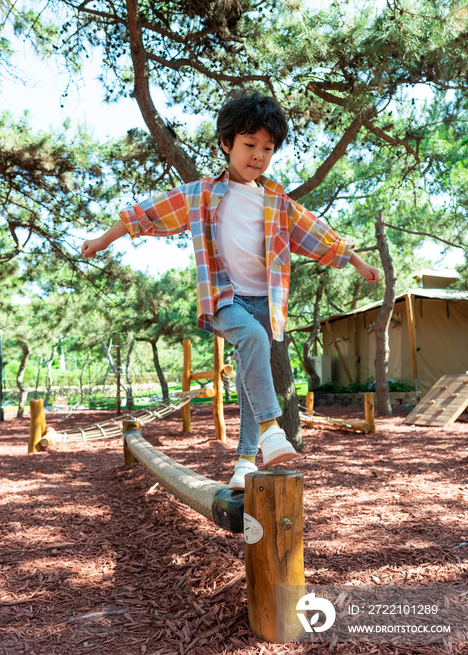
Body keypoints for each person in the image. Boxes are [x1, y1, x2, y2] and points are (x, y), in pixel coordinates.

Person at [82, 91, 379, 489]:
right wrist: (104, 240)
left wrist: (357, 261)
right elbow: (147, 213)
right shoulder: (201, 194)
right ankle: (274, 433)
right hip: (225, 298)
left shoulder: (277, 201)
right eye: (249, 145)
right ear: (227, 143)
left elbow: (318, 236)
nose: (258, 155)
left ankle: (244, 464)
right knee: (254, 341)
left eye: (267, 148)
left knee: (249, 380)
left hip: (265, 302)